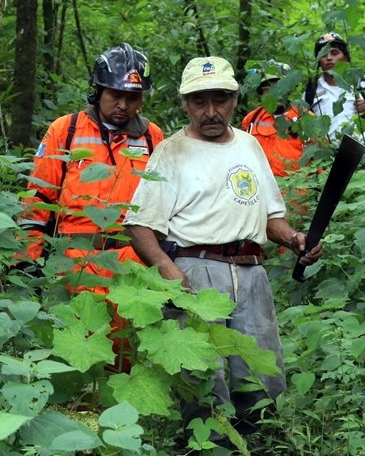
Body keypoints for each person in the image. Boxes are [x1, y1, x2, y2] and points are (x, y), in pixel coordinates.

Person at [123, 56, 323, 439]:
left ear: (235, 99)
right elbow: (139, 224)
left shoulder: (249, 146)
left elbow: (270, 217)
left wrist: (295, 239)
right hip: (195, 271)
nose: (211, 111)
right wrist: (168, 269)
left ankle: (262, 444)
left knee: (262, 375)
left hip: (251, 273)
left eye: (221, 100)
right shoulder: (171, 151)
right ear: (185, 103)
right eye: (200, 102)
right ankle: (207, 446)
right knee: (203, 380)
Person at [18, 42, 164, 285]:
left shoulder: (152, 136)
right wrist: (26, 262)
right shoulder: (66, 130)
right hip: (73, 261)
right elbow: (38, 198)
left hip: (135, 263)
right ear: (98, 92)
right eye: (115, 95)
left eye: (131, 98)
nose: (123, 105)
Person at [304, 31, 365, 146]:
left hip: (364, 149)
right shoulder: (311, 91)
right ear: (318, 60)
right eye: (323, 54)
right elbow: (304, 126)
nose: (328, 58)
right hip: (327, 154)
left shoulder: (361, 82)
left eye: (334, 53)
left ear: (346, 57)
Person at [241, 60, 305, 178]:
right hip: (261, 192)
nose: (276, 92)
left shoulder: (305, 118)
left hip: (296, 193)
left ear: (291, 88)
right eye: (269, 87)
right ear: (261, 91)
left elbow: (321, 165)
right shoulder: (251, 120)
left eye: (281, 85)